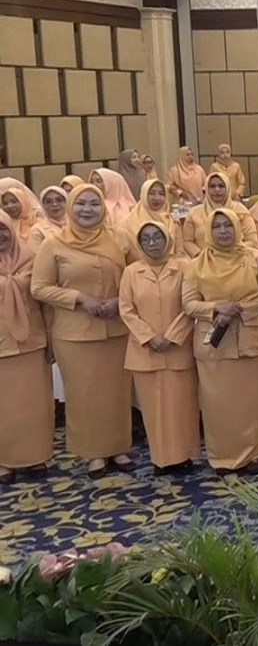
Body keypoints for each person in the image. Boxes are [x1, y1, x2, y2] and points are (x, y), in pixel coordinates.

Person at [31, 185, 135, 478]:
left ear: (103, 207)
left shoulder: (120, 238)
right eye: (80, 204)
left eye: (94, 204)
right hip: (74, 333)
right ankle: (93, 453)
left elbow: (137, 276)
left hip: (116, 329)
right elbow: (39, 287)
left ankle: (118, 447)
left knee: (117, 392)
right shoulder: (53, 244)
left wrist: (120, 300)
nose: (87, 210)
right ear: (70, 207)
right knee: (84, 395)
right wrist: (79, 298)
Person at [182, 209, 258, 474]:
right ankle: (222, 455)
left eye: (228, 225)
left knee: (254, 400)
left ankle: (257, 452)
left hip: (251, 338)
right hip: (214, 342)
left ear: (238, 227)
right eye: (217, 226)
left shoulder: (257, 259)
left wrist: (238, 309)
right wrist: (215, 308)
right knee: (217, 404)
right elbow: (188, 303)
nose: (223, 231)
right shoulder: (196, 264)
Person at [118, 221, 199, 475]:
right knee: (154, 410)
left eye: (157, 237)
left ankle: (184, 455)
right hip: (145, 351)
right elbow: (126, 309)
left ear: (168, 239)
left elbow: (190, 305)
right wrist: (149, 337)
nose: (152, 243)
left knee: (182, 406)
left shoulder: (185, 267)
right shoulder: (131, 272)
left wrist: (172, 336)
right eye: (146, 239)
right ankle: (161, 458)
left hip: (179, 348)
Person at [0, 214, 51, 483]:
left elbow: (45, 303)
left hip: (32, 342)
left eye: (3, 229)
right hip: (2, 347)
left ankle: (35, 457)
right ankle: (4, 461)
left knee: (35, 406)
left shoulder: (31, 258)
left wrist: (51, 340)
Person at [184, 172, 258, 256]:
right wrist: (202, 256)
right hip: (204, 260)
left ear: (228, 187)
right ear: (206, 189)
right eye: (212, 186)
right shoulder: (194, 213)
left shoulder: (240, 210)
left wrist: (230, 253)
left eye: (221, 186)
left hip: (236, 258)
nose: (217, 189)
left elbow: (252, 240)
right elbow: (187, 241)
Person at [120, 179, 183, 263]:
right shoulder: (126, 223)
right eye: (152, 193)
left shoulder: (173, 222)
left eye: (161, 194)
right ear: (143, 195)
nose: (157, 198)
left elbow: (179, 252)